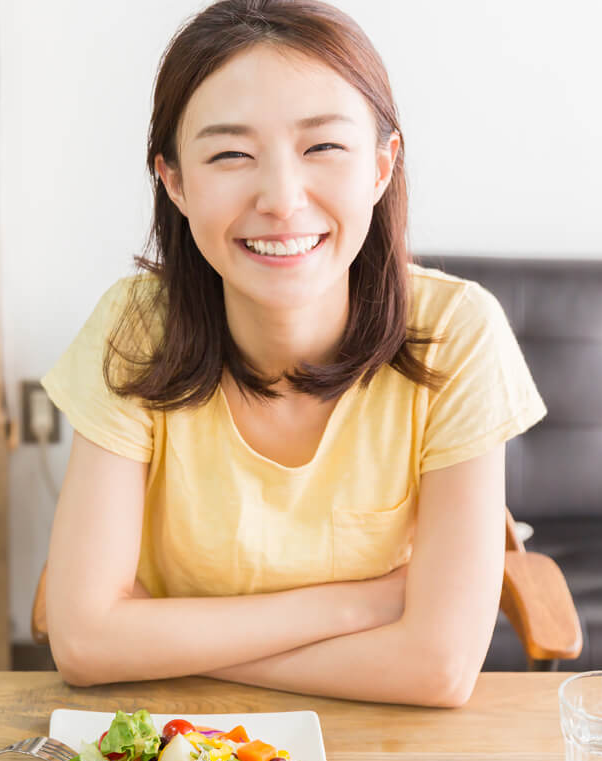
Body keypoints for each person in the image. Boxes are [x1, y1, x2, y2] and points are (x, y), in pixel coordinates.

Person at [40, 0, 545, 706]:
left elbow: (437, 668)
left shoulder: (457, 331)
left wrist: (156, 645)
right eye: (231, 154)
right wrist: (358, 605)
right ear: (176, 181)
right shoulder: (136, 328)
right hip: (179, 744)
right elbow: (87, 642)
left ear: (380, 164)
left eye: (322, 147)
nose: (282, 199)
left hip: (384, 749)